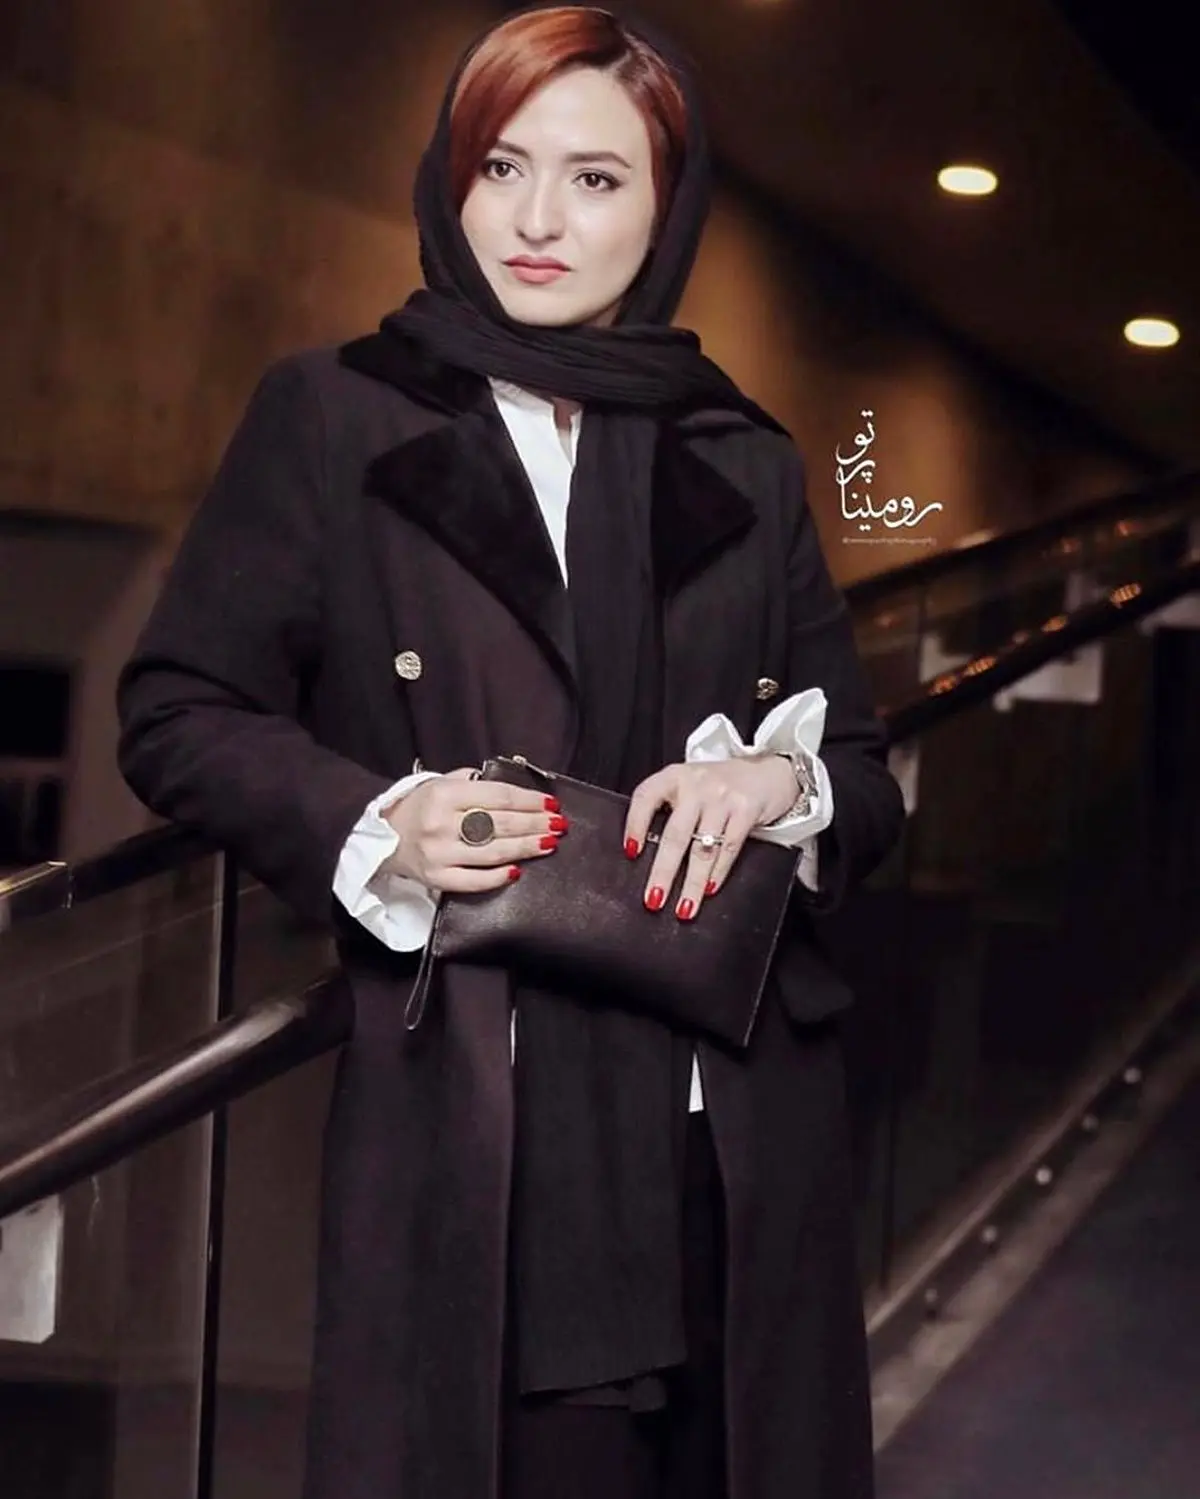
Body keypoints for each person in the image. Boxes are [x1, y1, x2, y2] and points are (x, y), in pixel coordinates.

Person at [116, 7, 905, 1497]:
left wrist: (777, 783)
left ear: (667, 207)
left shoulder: (745, 454)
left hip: (731, 1128)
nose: (538, 219)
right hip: (480, 1108)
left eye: (596, 179)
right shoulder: (334, 415)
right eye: (502, 166)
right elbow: (178, 708)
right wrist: (380, 819)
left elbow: (861, 774)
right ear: (450, 180)